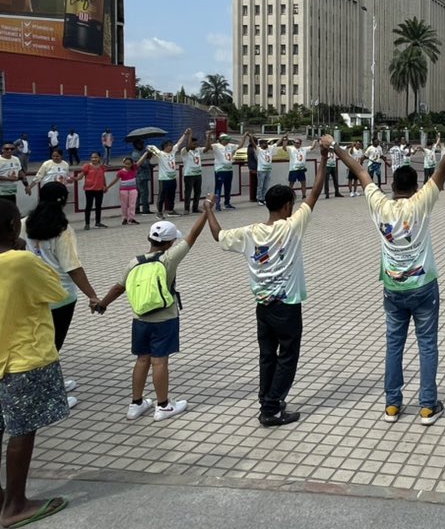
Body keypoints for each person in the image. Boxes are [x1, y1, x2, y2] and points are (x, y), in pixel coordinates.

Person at [336, 120, 445, 426]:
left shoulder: (380, 206)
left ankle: (392, 405)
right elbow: (443, 166)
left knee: (394, 344)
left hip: (393, 289)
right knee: (427, 344)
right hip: (424, 286)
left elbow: (359, 171)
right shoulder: (421, 204)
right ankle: (427, 406)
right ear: (414, 187)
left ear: (393, 186)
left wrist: (333, 146)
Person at [206, 136, 334, 427]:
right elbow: (314, 192)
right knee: (288, 356)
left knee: (267, 355)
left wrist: (209, 211)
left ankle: (267, 397)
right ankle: (272, 408)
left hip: (262, 305)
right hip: (287, 305)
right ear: (288, 206)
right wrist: (324, 158)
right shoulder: (292, 227)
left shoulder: (250, 232)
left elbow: (218, 235)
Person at [95, 214, 210, 422]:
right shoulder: (169, 259)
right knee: (159, 362)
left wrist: (102, 304)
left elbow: (118, 287)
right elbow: (193, 234)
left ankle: (136, 404)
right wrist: (206, 210)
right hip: (165, 320)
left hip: (139, 319)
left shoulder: (134, 262)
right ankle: (163, 406)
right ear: (169, 243)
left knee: (142, 360)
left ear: (150, 239)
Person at [0, 198, 72, 528]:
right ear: (15, 227)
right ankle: (16, 504)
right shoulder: (20, 262)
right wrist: (23, 250)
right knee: (22, 430)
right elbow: (55, 289)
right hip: (23, 358)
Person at [22, 182, 102, 409]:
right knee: (52, 345)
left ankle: (52, 382)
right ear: (64, 200)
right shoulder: (63, 229)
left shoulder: (24, 224)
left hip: (31, 294)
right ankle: (48, 393)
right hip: (61, 297)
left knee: (39, 342)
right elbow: (73, 268)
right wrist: (92, 295)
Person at [148, 129, 190, 218]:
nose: (171, 147)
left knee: (172, 195)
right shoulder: (160, 154)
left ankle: (171, 210)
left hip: (172, 178)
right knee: (162, 196)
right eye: (168, 145)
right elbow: (150, 147)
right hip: (164, 179)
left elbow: (179, 143)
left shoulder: (173, 152)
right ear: (164, 146)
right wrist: (150, 148)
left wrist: (185, 134)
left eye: (171, 145)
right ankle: (159, 212)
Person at [207, 132, 241, 211]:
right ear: (221, 140)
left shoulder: (230, 146)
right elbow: (208, 147)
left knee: (228, 187)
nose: (228, 141)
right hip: (220, 170)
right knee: (218, 187)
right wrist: (208, 137)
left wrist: (245, 137)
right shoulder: (216, 146)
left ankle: (227, 203)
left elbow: (240, 146)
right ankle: (217, 204)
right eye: (226, 140)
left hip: (229, 169)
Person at [76, 151, 108, 230]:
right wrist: (73, 179)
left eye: (96, 157)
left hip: (99, 189)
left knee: (98, 206)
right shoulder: (87, 166)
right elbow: (80, 176)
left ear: (99, 158)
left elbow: (103, 177)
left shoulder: (102, 167)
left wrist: (105, 186)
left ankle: (98, 222)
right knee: (88, 206)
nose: (94, 159)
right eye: (92, 157)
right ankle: (87, 223)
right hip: (89, 189)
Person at [108, 155, 143, 225]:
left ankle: (131, 218)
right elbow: (115, 180)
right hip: (124, 190)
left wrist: (147, 152)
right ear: (123, 163)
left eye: (129, 164)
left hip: (133, 189)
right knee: (124, 205)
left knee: (132, 204)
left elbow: (140, 161)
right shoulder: (121, 172)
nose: (127, 165)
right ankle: (125, 218)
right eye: (126, 164)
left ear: (132, 164)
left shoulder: (134, 169)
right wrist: (108, 187)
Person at [181, 134, 207, 213]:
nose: (196, 145)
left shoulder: (197, 150)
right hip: (189, 175)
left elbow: (207, 148)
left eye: (196, 143)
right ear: (189, 143)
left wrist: (208, 136)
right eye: (194, 143)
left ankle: (195, 208)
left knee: (198, 192)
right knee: (188, 192)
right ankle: (186, 209)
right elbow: (188, 147)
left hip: (198, 174)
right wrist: (189, 135)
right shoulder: (184, 151)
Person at [0, 140, 29, 208]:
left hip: (11, 193)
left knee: (11, 214)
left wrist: (27, 186)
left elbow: (21, 173)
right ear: (2, 149)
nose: (9, 150)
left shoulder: (16, 159)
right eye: (6, 149)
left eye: (12, 149)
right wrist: (9, 178)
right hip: (1, 194)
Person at [132, 139, 153, 216]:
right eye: (140, 144)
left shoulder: (140, 153)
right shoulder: (135, 154)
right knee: (144, 193)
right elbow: (143, 164)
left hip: (143, 175)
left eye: (142, 143)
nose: (142, 145)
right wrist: (147, 159)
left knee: (140, 193)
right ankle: (145, 209)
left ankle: (137, 209)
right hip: (140, 176)